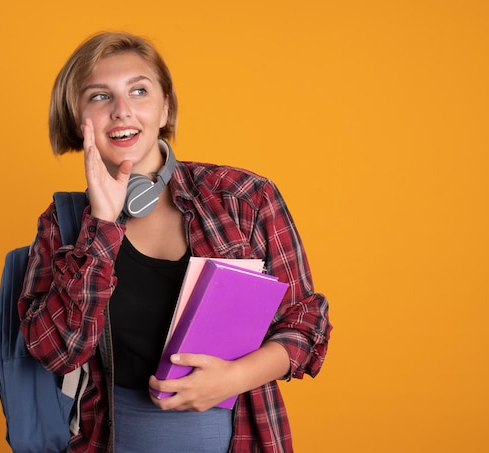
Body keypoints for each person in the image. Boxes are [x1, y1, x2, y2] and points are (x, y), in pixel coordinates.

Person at [18, 31, 332, 453]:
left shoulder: (243, 198)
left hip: (241, 438)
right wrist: (104, 226)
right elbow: (55, 352)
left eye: (139, 91)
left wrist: (234, 379)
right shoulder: (65, 223)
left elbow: (307, 321)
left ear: (165, 107)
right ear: (79, 119)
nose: (121, 111)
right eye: (99, 97)